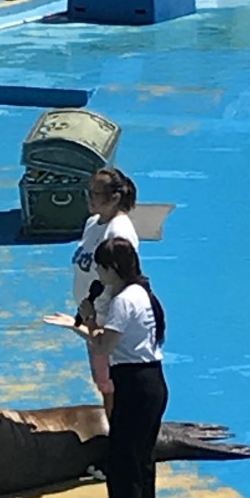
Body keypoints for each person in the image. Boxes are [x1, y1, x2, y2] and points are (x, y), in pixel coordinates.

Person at [45, 236, 168, 498]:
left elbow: (103, 346)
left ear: (112, 269)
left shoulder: (123, 301)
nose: (98, 273)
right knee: (143, 459)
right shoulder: (142, 293)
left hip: (133, 384)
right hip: (152, 380)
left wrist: (84, 321)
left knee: (123, 462)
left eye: (100, 267)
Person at [69, 167, 139, 419]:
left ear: (114, 197)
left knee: (112, 386)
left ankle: (119, 440)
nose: (89, 198)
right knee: (103, 381)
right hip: (91, 317)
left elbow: (120, 281)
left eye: (95, 193)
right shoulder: (92, 224)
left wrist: (101, 321)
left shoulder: (118, 231)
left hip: (106, 321)